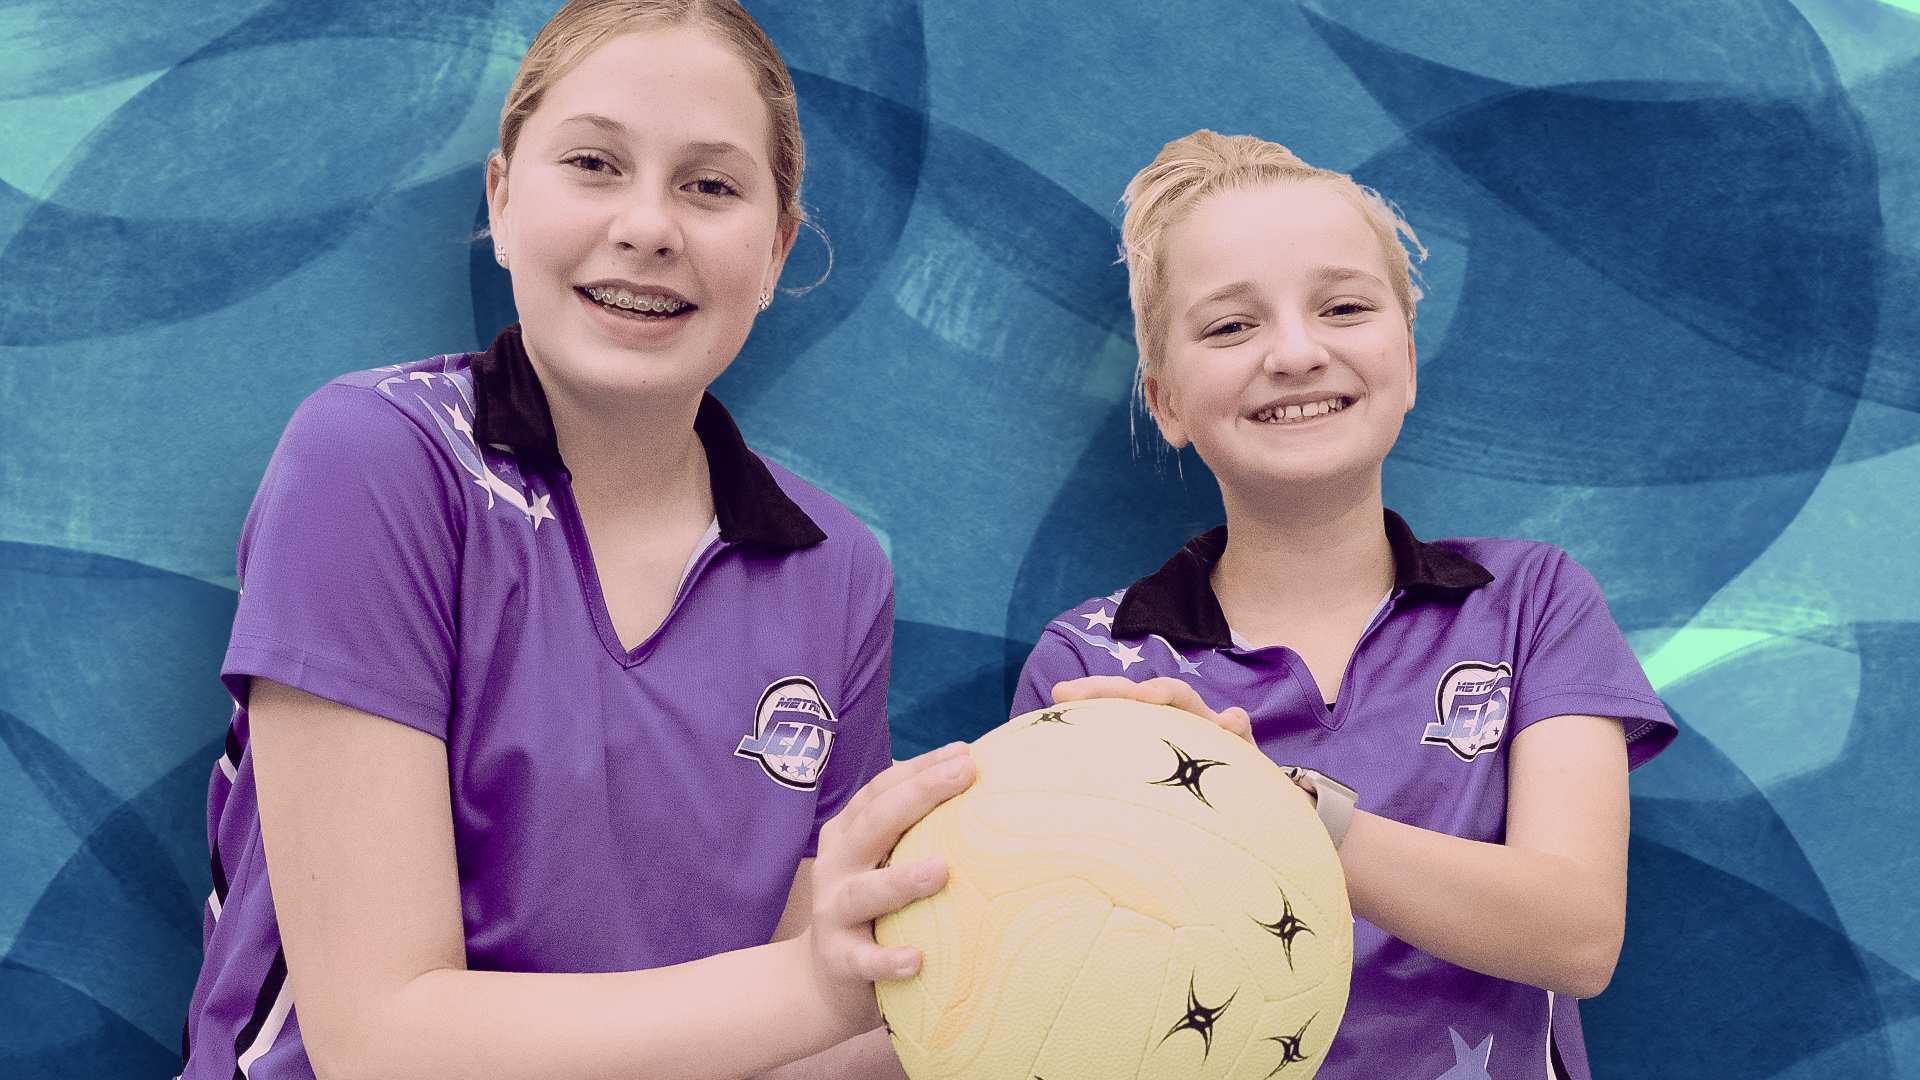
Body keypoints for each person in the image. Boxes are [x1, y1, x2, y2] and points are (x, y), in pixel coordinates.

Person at [178, 3, 967, 1077]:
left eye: (711, 185)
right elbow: (381, 1036)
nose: (649, 226)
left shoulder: (836, 567)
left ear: (777, 249)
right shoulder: (370, 461)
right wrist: (813, 988)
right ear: (502, 201)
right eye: (595, 163)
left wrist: (1107, 809)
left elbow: (793, 1050)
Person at [1012, 131, 1677, 1080]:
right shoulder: (1089, 664)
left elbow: (1577, 935)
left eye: (1344, 307)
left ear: (1405, 359)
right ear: (1165, 400)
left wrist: (1269, 807)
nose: (1295, 352)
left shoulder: (1532, 600)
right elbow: (1069, 992)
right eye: (1231, 326)